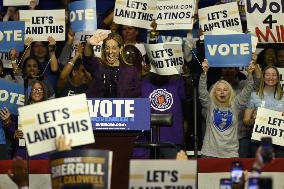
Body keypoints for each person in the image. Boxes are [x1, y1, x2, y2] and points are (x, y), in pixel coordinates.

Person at [199, 59, 255, 158]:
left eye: (225, 90)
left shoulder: (235, 105)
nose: (222, 92)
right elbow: (202, 92)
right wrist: (204, 73)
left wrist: (250, 74)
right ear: (214, 92)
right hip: (209, 153)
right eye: (219, 90)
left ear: (230, 92)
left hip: (230, 154)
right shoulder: (209, 105)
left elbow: (248, 89)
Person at [243, 66, 284, 157]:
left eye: (273, 75)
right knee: (259, 170)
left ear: (278, 78)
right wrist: (253, 120)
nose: (270, 77)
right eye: (268, 75)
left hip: (280, 145)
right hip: (258, 143)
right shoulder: (254, 96)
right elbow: (245, 121)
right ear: (263, 77)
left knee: (279, 171)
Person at [85, 32, 140, 98]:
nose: (110, 51)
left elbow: (136, 97)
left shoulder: (131, 71)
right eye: (107, 48)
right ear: (104, 49)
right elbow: (88, 58)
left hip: (122, 107)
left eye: (114, 48)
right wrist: (88, 44)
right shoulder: (98, 66)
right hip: (99, 107)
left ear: (120, 49)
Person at [5, 80, 49, 159]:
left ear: (44, 92)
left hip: (41, 152)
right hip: (22, 150)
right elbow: (11, 131)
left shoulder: (49, 111)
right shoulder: (22, 110)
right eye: (34, 89)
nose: (37, 91)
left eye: (40, 89)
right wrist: (14, 131)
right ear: (30, 92)